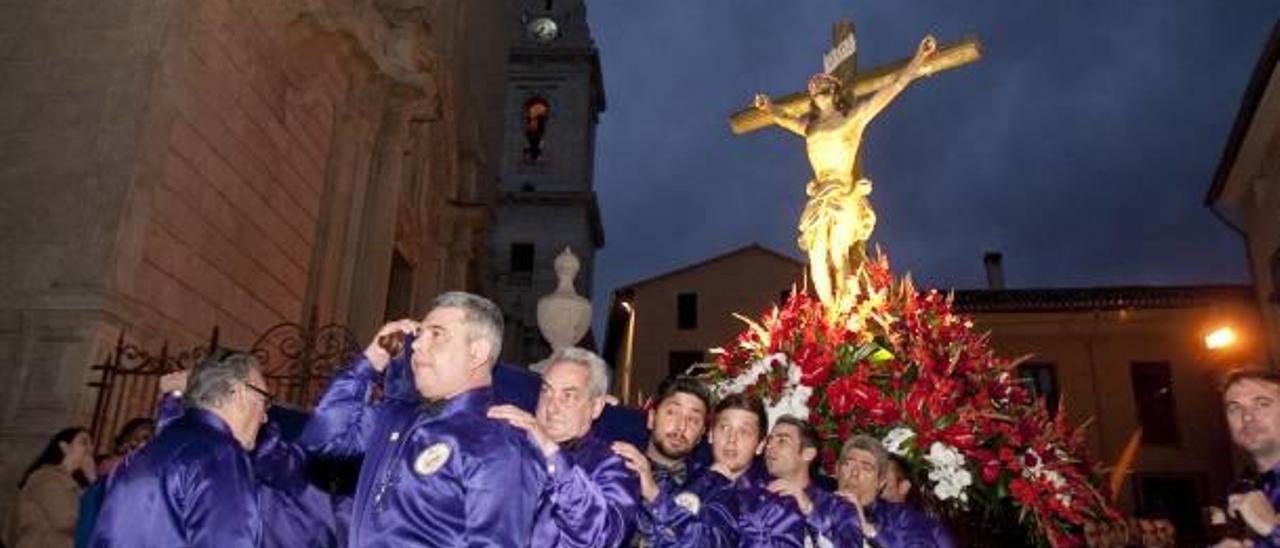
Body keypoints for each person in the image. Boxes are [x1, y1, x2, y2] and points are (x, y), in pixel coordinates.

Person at [300, 291, 543, 547]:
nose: (415, 344)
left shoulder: (497, 442)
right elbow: (325, 438)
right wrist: (373, 358)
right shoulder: (399, 418)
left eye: (436, 334)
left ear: (477, 353)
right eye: (419, 334)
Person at [753, 34, 938, 308]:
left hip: (843, 193)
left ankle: (845, 310)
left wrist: (918, 59)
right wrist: (769, 107)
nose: (817, 89)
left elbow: (894, 87)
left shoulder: (853, 118)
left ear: (835, 90)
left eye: (823, 85)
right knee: (817, 258)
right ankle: (832, 314)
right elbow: (784, 118)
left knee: (839, 253)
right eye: (813, 88)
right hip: (819, 196)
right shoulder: (809, 127)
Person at [90, 350, 269, 546]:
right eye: (264, 400)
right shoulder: (221, 454)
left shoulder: (150, 451)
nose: (264, 417)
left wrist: (174, 396)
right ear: (240, 393)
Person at [489, 346, 640, 547]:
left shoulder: (615, 465)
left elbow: (605, 536)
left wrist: (552, 453)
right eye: (546, 391)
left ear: (596, 407)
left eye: (567, 396)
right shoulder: (512, 445)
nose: (551, 407)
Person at [611, 376, 713, 547]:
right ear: (651, 418)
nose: (681, 426)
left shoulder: (711, 488)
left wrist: (654, 495)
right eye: (672, 412)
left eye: (693, 420)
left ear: (701, 436)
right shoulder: (616, 466)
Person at [810, 434, 955, 547]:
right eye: (848, 465)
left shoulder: (901, 517)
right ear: (836, 470)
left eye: (866, 468)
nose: (854, 473)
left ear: (881, 482)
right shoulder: (815, 506)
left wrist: (868, 528)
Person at [1214, 368, 1280, 547]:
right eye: (1234, 408)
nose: (1247, 417)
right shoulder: (1242, 492)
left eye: (1262, 403)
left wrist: (1272, 530)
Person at [8, 427, 95, 548]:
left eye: (91, 444)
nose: (90, 449)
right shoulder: (46, 477)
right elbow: (66, 521)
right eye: (84, 442)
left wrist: (92, 479)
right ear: (64, 447)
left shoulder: (75, 483)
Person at [764, 415, 835, 545]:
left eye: (782, 441)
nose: (769, 446)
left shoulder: (836, 506)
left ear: (808, 454)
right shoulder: (753, 497)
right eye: (770, 440)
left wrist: (810, 511)